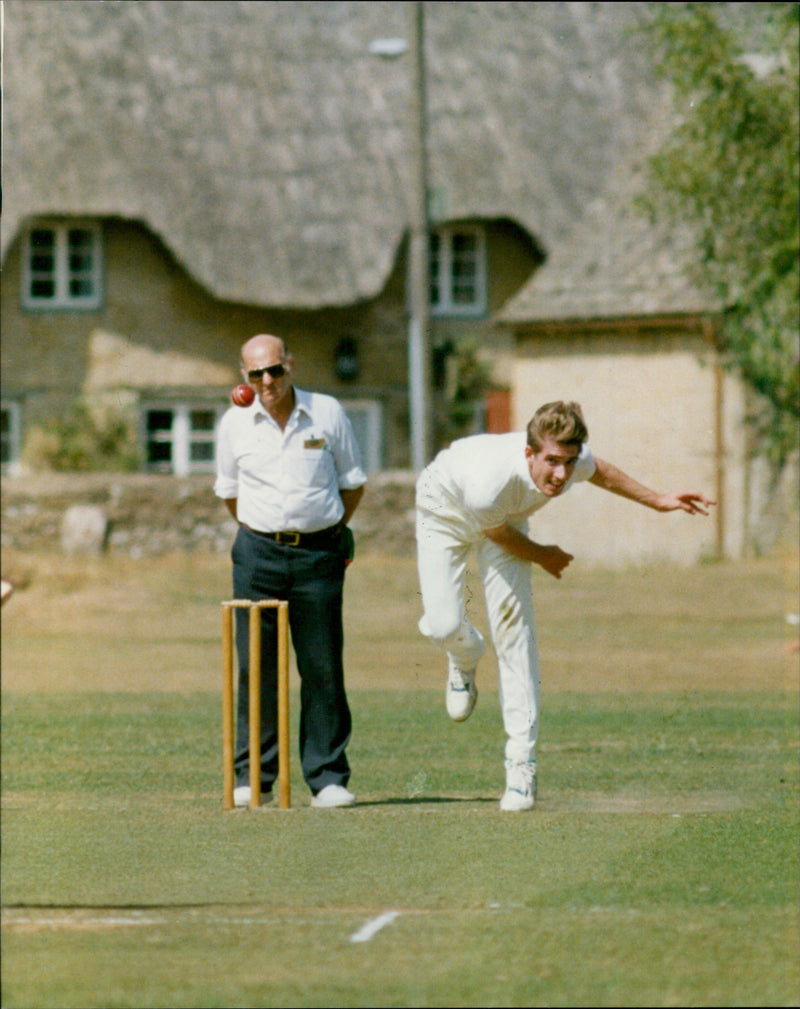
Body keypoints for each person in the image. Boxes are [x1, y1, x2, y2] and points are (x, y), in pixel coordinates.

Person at [415, 400, 715, 812]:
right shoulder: (490, 482)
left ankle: (521, 767)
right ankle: (464, 656)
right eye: (552, 461)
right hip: (445, 509)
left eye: (569, 462)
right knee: (443, 625)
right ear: (529, 454)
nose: (561, 474)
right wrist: (543, 555)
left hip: (507, 519)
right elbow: (496, 533)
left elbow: (603, 473)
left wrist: (660, 500)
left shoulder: (574, 460)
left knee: (515, 637)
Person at [215, 334, 366, 808]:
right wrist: (268, 532)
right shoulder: (234, 423)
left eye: (275, 371)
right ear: (244, 377)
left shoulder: (327, 412)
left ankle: (327, 778)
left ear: (291, 367)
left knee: (321, 667)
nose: (266, 382)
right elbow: (229, 492)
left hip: (319, 555)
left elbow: (352, 484)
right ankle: (253, 778)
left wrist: (322, 531)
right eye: (256, 374)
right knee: (255, 666)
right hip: (257, 553)